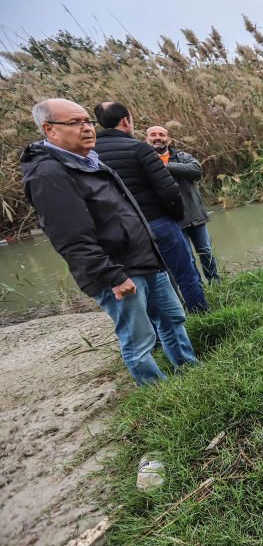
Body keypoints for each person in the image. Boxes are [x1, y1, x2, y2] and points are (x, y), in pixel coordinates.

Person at [20, 98, 197, 385]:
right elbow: (70, 237)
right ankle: (159, 395)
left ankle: (190, 373)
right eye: (75, 123)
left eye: (87, 120)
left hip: (145, 259)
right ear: (50, 130)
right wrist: (111, 275)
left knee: (173, 320)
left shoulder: (88, 160)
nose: (87, 128)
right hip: (119, 270)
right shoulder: (49, 173)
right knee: (139, 339)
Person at [93, 102, 208, 312]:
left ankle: (164, 324)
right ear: (126, 121)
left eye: (161, 135)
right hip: (158, 221)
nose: (157, 138)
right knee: (184, 273)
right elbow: (168, 191)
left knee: (150, 278)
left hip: (119, 231)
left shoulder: (88, 156)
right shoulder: (139, 149)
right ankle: (200, 315)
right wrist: (174, 216)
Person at [145, 125, 220, 282]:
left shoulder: (182, 156)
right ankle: (198, 287)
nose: (157, 137)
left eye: (161, 134)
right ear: (147, 139)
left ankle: (216, 284)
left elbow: (196, 170)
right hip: (171, 220)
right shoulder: (144, 162)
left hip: (194, 215)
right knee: (186, 258)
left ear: (169, 139)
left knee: (206, 252)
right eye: (153, 135)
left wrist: (165, 166)